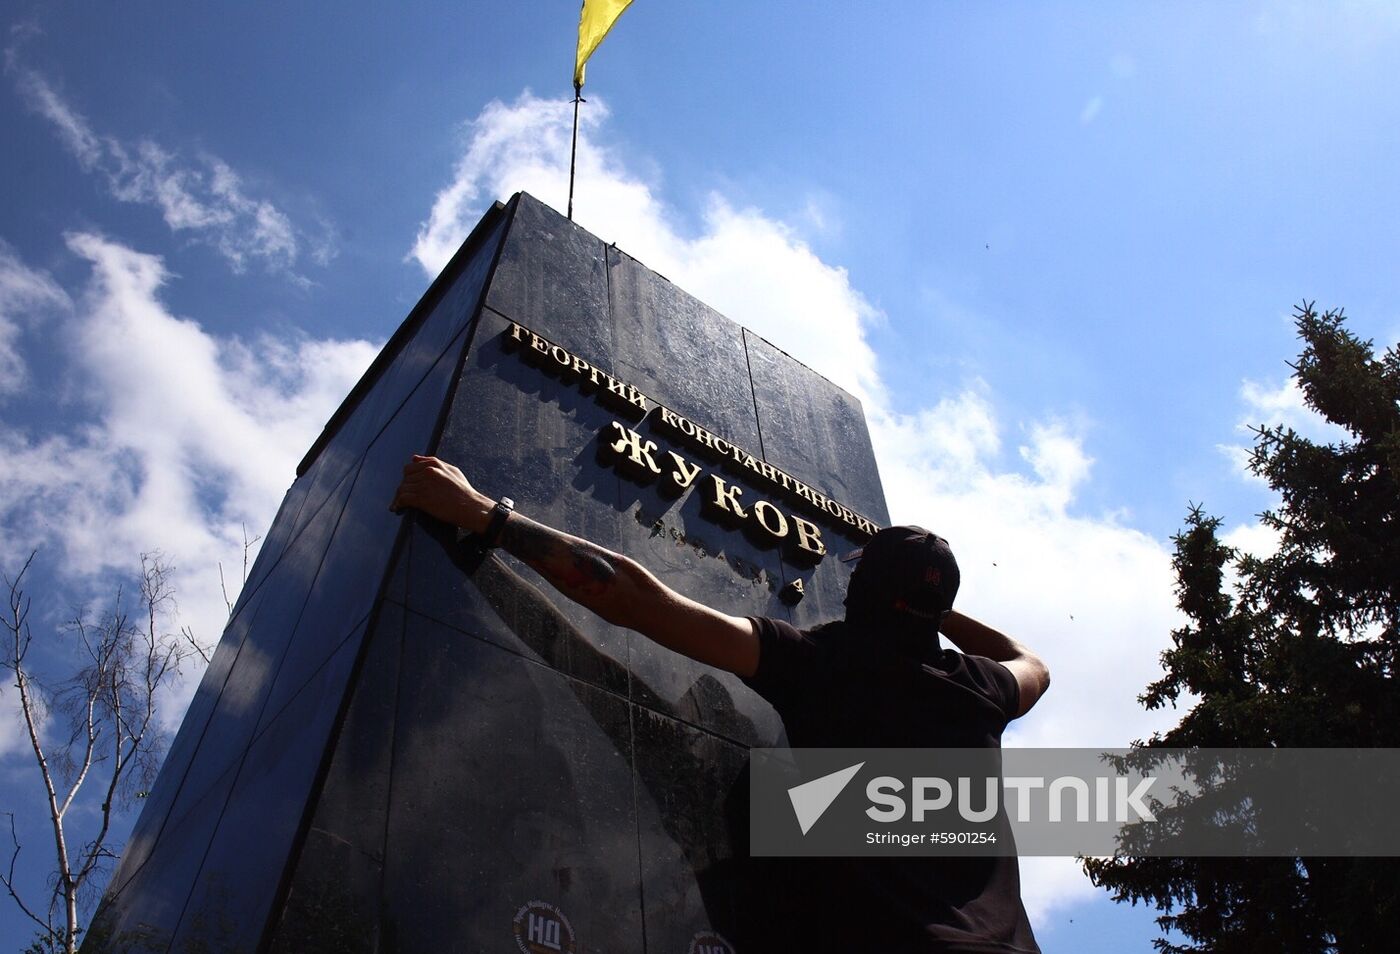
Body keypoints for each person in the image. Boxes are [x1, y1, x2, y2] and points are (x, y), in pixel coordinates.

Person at [392, 454, 1050, 953]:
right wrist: (940, 614)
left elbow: (638, 603)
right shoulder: (981, 689)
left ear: (861, 588)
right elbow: (1034, 662)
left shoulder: (820, 661)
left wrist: (485, 514)